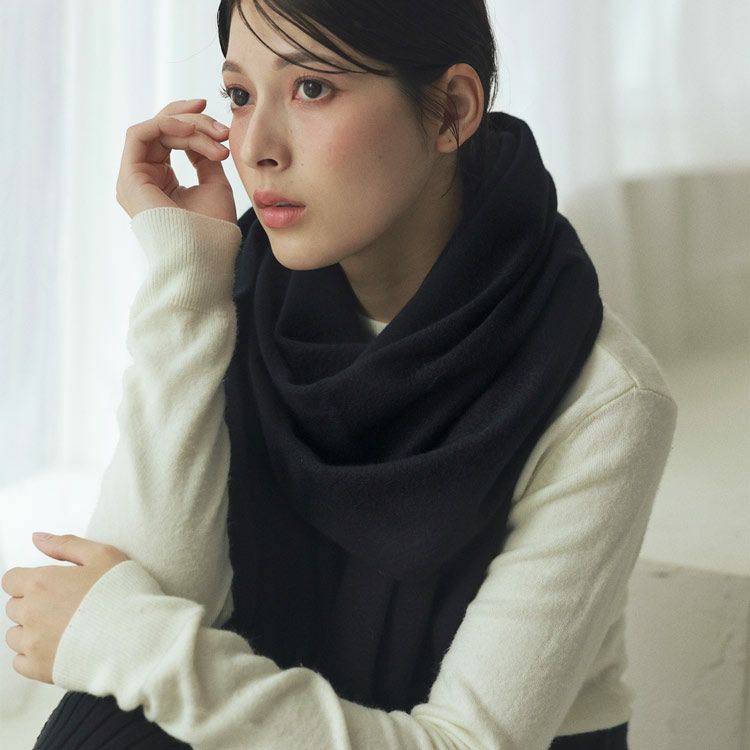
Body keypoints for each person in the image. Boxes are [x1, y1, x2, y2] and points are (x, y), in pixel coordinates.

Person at [27, 1, 677, 748]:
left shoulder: (605, 397)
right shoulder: (241, 293)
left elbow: (465, 743)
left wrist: (128, 642)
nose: (255, 149)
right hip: (275, 720)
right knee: (112, 716)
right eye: (240, 95)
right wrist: (188, 271)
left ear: (451, 110)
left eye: (312, 88)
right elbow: (153, 593)